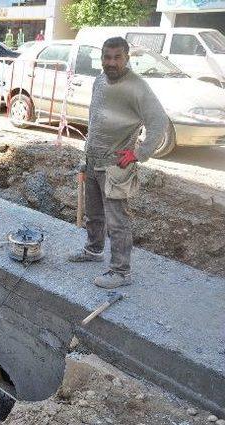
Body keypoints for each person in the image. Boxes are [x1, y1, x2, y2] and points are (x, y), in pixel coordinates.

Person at [68, 37, 168, 289]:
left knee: (117, 221)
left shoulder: (137, 87)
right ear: (101, 58)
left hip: (116, 167)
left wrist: (139, 153)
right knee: (93, 213)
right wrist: (85, 157)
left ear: (127, 58)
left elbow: (159, 122)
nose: (111, 62)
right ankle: (93, 250)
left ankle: (121, 272)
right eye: (106, 57)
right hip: (93, 160)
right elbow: (95, 121)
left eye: (117, 57)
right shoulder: (99, 81)